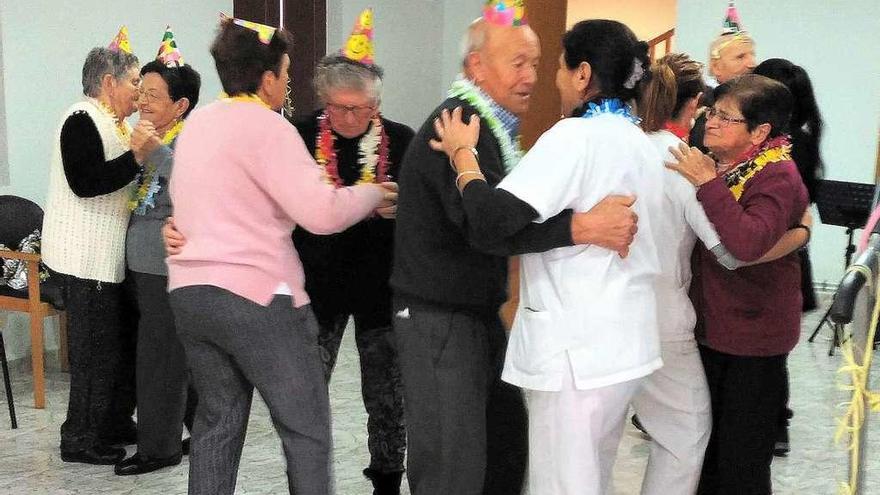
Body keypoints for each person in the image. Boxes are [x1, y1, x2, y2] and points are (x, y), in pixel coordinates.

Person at [391, 4, 640, 493]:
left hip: (475, 312)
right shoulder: (458, 125)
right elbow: (488, 228)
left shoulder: (492, 129)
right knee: (451, 460)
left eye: (536, 62)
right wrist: (581, 228)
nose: (531, 76)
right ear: (477, 67)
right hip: (437, 314)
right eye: (517, 62)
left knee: (504, 445)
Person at [166, 17, 394, 495]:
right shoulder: (269, 128)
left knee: (217, 424)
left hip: (190, 296)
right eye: (286, 71)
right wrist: (372, 193)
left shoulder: (199, 124)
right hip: (257, 298)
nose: (289, 81)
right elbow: (321, 213)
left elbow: (188, 208)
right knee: (305, 430)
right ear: (267, 77)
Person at [633, 53, 810, 495]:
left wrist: (707, 185)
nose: (710, 122)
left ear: (761, 132)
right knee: (708, 455)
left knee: (741, 463)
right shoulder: (719, 164)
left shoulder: (777, 175)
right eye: (711, 111)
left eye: (726, 118)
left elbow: (745, 244)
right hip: (713, 329)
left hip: (753, 339)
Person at [292, 45, 413, 495]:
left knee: (386, 398)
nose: (344, 118)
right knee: (305, 393)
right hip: (316, 285)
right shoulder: (300, 135)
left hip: (382, 287)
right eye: (335, 108)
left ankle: (386, 480)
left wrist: (405, 205)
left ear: (376, 106)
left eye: (356, 109)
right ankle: (307, 482)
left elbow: (427, 209)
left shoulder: (402, 141)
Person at [42, 28, 154, 466]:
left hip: (106, 259)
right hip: (81, 257)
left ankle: (111, 423)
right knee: (92, 353)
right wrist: (138, 157)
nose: (139, 92)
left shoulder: (115, 124)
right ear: (108, 83)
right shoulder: (80, 118)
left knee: (115, 347)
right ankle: (79, 439)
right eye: (133, 83)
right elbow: (86, 183)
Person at [115, 28, 201, 476]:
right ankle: (198, 430)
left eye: (153, 94)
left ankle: (159, 448)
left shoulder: (188, 140)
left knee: (160, 360)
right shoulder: (147, 136)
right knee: (165, 355)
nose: (142, 101)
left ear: (181, 105)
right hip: (142, 267)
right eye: (140, 91)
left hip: (166, 267)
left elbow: (196, 189)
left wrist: (157, 153)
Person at [754, 57, 825, 456]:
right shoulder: (794, 140)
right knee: (770, 352)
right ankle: (775, 420)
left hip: (778, 255)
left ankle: (776, 422)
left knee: (769, 353)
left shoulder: (787, 148)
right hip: (785, 253)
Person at [690, 1, 757, 150]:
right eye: (741, 57)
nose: (752, 63)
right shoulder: (703, 109)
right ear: (716, 67)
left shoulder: (758, 105)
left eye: (752, 55)